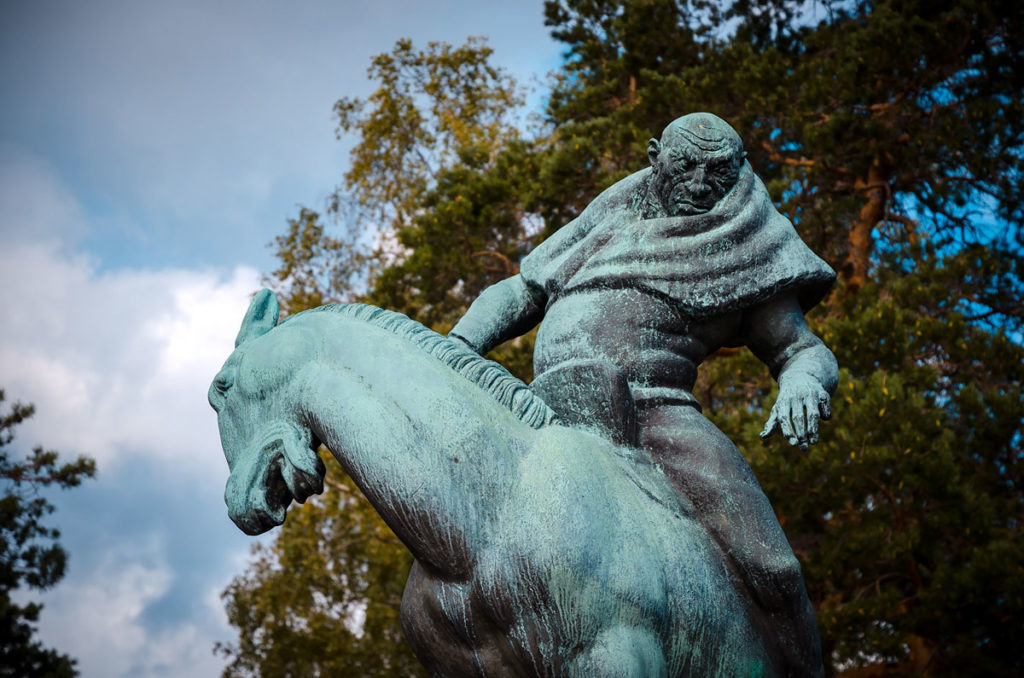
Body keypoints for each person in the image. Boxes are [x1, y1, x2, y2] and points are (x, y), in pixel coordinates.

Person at [450, 112, 835, 675]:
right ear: (656, 154)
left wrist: (803, 381)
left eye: (718, 172)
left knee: (773, 564)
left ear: (741, 170)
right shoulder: (610, 212)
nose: (701, 185)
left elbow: (800, 348)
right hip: (541, 413)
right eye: (685, 167)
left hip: (654, 416)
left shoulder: (749, 242)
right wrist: (457, 345)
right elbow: (522, 288)